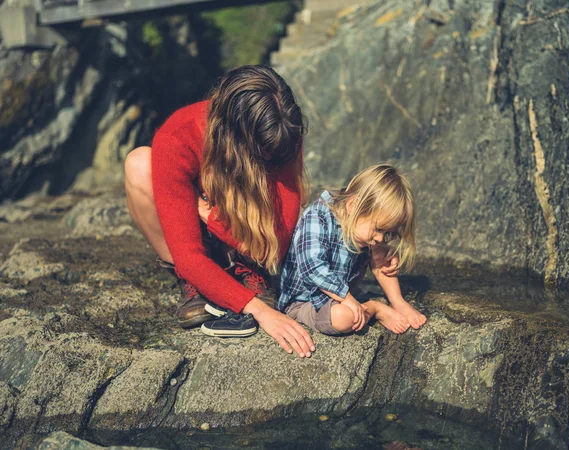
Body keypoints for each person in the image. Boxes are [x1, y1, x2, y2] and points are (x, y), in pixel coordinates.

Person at [124, 65, 315, 358]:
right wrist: (261, 311)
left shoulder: (281, 129)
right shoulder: (179, 135)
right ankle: (193, 284)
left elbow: (276, 244)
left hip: (248, 241)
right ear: (233, 134)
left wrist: (206, 213)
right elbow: (188, 256)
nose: (272, 158)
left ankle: (247, 272)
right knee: (139, 163)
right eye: (263, 152)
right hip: (200, 236)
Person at [277, 164, 427, 336]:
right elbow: (313, 267)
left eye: (388, 233)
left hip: (340, 296)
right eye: (379, 229)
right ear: (353, 206)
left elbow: (380, 253)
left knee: (379, 251)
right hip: (304, 301)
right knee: (344, 318)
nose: (380, 237)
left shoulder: (361, 224)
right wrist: (347, 298)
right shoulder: (318, 216)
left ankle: (397, 302)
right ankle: (373, 308)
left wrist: (385, 252)